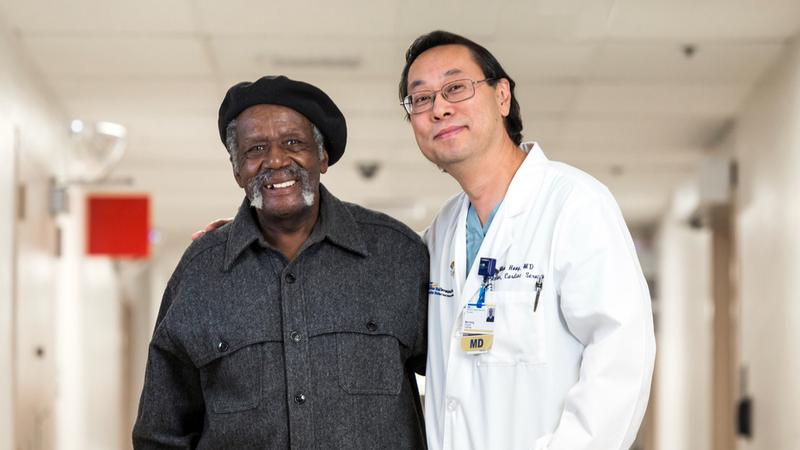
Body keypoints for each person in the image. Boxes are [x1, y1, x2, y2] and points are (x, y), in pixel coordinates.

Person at [132, 75, 428, 449]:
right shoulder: (200, 274)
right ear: (237, 168)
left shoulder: (395, 255)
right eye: (255, 149)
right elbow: (161, 433)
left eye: (293, 142)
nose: (275, 160)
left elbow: (463, 387)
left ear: (322, 156)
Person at [398, 31, 656, 449]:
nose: (439, 109)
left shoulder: (574, 205)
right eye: (421, 99)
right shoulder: (442, 231)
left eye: (456, 88)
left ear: (502, 96)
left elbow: (621, 357)